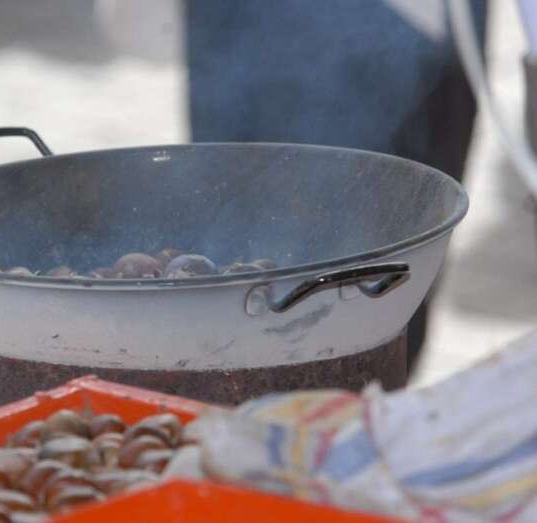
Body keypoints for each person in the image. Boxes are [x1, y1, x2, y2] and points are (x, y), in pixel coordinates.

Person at [185, 0, 488, 374]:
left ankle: (359, 412)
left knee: (381, 293)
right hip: (249, 22)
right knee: (234, 260)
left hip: (422, 26)